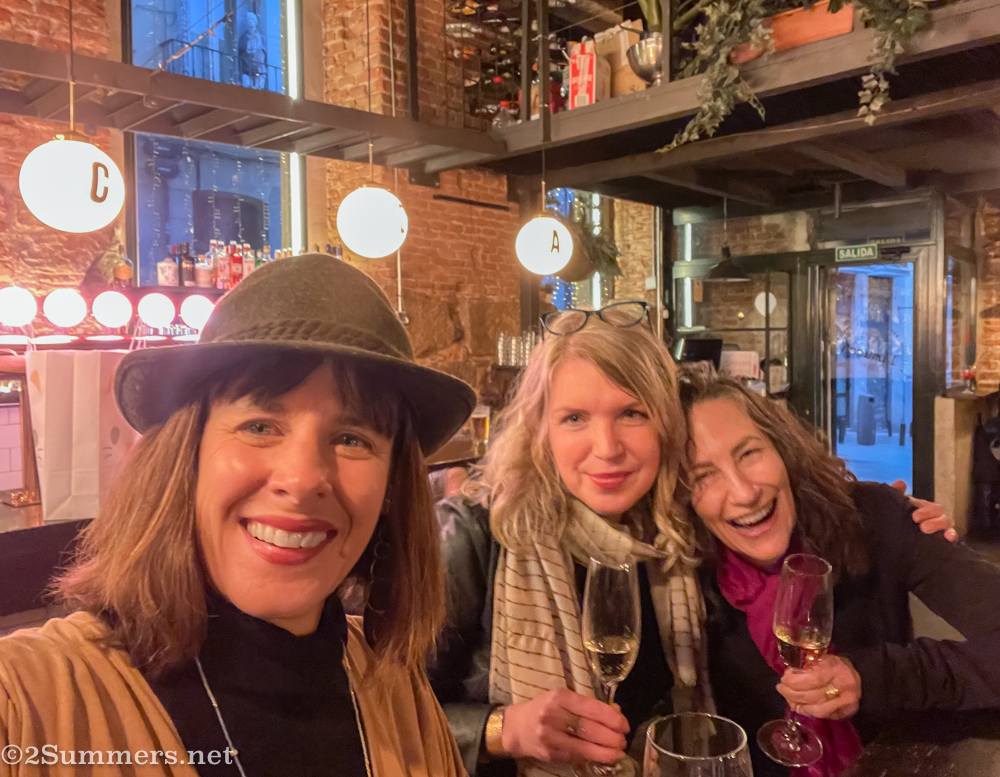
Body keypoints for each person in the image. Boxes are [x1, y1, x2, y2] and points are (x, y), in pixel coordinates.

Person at [0, 255, 475, 777]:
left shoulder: (397, 692)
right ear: (186, 455)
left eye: (351, 439)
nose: (301, 478)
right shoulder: (29, 700)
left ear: (391, 489)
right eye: (260, 425)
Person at [428, 304, 952, 777]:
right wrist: (501, 731)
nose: (606, 447)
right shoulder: (476, 536)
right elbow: (378, 717)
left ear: (666, 426)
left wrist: (885, 509)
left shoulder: (682, 531)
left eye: (631, 413)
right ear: (541, 431)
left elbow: (769, 497)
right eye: (574, 418)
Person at [682, 371, 1000, 777]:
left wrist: (871, 676)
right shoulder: (681, 583)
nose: (745, 493)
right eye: (703, 476)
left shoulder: (874, 519)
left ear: (783, 450)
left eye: (749, 453)